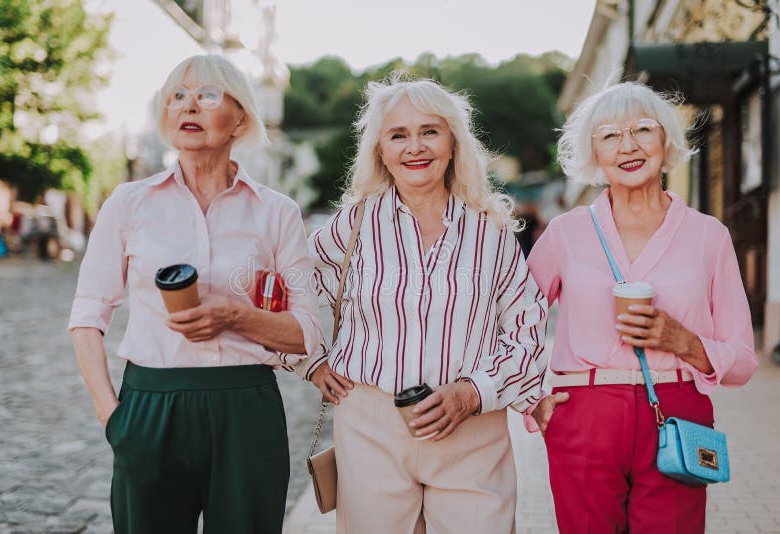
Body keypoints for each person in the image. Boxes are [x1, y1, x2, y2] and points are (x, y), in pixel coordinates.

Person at [69, 55, 322, 533]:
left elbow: (306, 333)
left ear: (241, 117)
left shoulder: (277, 213)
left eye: (207, 95)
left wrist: (234, 317)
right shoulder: (128, 204)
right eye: (176, 97)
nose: (189, 106)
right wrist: (112, 417)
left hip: (246, 409)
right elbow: (87, 313)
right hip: (149, 406)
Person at [297, 76, 549, 534]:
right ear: (381, 151)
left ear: (453, 143)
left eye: (430, 131)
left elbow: (527, 329)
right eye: (398, 135)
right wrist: (309, 361)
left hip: (474, 432)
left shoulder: (490, 229)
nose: (415, 146)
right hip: (371, 428)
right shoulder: (353, 225)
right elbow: (291, 286)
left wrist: (475, 392)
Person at [527, 81, 758, 533]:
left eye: (642, 130)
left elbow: (744, 361)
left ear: (665, 140)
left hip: (677, 410)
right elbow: (510, 323)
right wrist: (530, 399)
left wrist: (685, 342)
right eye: (610, 135)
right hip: (583, 412)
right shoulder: (566, 233)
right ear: (593, 150)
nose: (627, 146)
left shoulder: (709, 236)